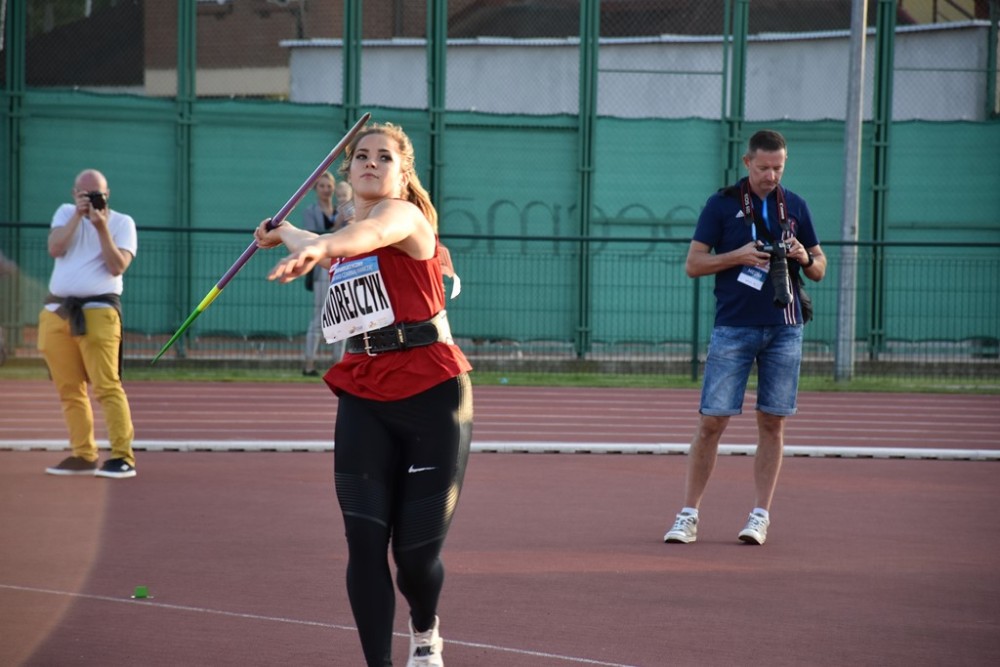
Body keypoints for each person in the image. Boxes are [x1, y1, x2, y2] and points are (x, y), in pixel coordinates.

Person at [255, 121, 473, 667]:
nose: (371, 163)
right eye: (361, 156)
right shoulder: (346, 230)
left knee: (415, 559)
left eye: (384, 157)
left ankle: (425, 630)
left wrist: (316, 245)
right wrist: (286, 234)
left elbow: (363, 237)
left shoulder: (404, 216)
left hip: (432, 392)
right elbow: (338, 239)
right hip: (363, 389)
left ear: (403, 172)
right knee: (364, 541)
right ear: (348, 170)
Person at [663, 130, 826, 546]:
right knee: (711, 421)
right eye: (764, 167)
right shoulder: (721, 205)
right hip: (734, 327)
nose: (771, 175)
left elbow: (819, 267)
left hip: (785, 327)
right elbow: (693, 265)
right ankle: (688, 515)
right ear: (747, 162)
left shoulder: (796, 205)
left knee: (772, 422)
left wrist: (803, 255)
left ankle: (760, 515)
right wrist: (738, 256)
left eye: (779, 168)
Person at [40, 169, 139, 479]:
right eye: (85, 194)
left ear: (108, 195)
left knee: (107, 385)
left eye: (98, 194)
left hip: (99, 311)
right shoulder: (64, 213)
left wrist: (100, 227)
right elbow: (55, 248)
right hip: (57, 310)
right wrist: (77, 216)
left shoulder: (122, 223)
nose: (92, 199)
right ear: (74, 194)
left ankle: (122, 456)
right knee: (69, 388)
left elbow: (117, 266)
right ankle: (83, 454)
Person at [301, 172, 355, 376]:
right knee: (319, 315)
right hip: (323, 267)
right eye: (322, 186)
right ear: (316, 189)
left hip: (343, 265)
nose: (326, 190)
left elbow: (353, 230)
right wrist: (337, 227)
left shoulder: (343, 208)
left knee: (343, 316)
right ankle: (309, 364)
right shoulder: (311, 211)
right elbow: (314, 237)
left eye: (329, 186)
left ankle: (338, 364)